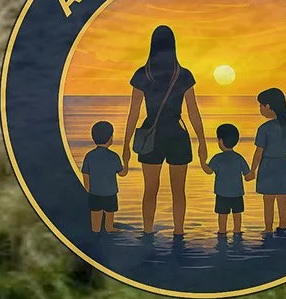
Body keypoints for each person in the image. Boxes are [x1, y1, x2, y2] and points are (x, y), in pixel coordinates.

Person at [120, 24, 207, 237]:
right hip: (178, 135)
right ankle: (179, 233)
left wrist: (126, 144)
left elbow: (133, 113)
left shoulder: (143, 74)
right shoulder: (183, 75)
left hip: (151, 136)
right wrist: (202, 142)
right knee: (179, 192)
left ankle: (147, 232)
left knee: (150, 190)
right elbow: (193, 112)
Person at [251, 87, 286, 233]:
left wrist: (252, 170)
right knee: (282, 199)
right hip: (283, 165)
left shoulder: (264, 128)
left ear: (268, 106)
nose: (260, 109)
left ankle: (268, 229)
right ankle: (283, 226)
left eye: (261, 105)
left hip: (268, 166)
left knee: (268, 200)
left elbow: (258, 152)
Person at [202, 123, 250, 239]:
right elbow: (248, 175)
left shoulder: (217, 158)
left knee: (222, 216)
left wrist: (202, 161)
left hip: (222, 194)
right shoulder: (239, 158)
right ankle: (237, 233)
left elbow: (208, 171)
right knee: (237, 215)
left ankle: (222, 233)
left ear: (221, 141)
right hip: (237, 194)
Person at [80, 119, 124, 233]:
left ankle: (96, 231)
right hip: (110, 193)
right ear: (110, 138)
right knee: (109, 219)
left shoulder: (89, 156)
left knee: (95, 222)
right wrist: (127, 163)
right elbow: (122, 173)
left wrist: (89, 189)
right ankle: (109, 228)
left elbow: (85, 174)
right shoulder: (114, 156)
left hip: (94, 193)